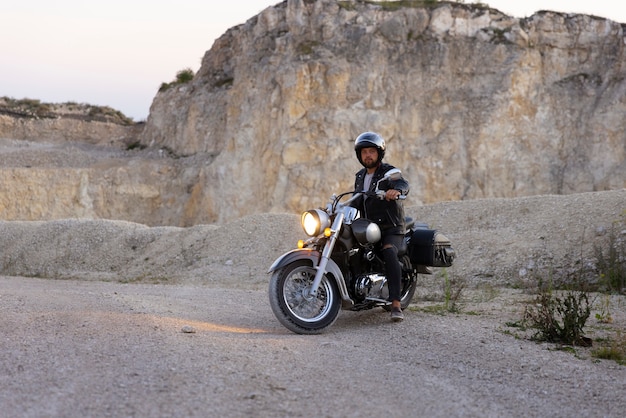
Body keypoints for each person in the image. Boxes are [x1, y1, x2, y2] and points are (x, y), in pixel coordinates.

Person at [351, 132, 410, 322]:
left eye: (371, 151)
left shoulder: (388, 172)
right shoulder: (360, 176)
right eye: (364, 152)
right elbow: (356, 201)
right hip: (369, 228)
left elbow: (401, 182)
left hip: (390, 227)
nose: (367, 155)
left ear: (379, 153)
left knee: (388, 251)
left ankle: (395, 304)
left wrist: (397, 190)